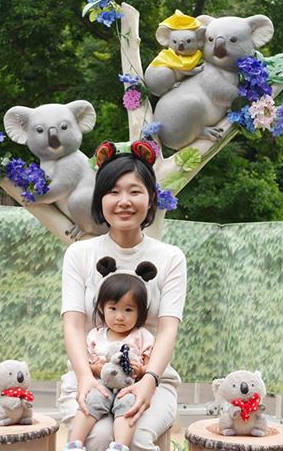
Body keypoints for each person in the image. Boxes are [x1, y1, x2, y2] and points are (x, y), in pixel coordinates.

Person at [59, 141, 187, 451]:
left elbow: (168, 329)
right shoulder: (79, 253)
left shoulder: (171, 258)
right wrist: (84, 378)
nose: (124, 201)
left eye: (134, 191)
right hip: (89, 374)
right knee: (97, 437)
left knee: (136, 438)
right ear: (100, 199)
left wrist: (149, 381)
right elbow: (73, 324)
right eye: (113, 192)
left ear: (151, 197)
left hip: (151, 377)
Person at [65, 257, 157, 451]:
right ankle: (74, 444)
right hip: (101, 384)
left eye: (128, 310)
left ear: (140, 312)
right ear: (102, 308)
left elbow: (148, 366)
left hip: (129, 387)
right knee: (91, 400)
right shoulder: (95, 335)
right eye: (113, 308)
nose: (120, 316)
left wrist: (140, 370)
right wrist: (96, 368)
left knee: (129, 406)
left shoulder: (142, 336)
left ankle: (119, 446)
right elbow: (87, 363)